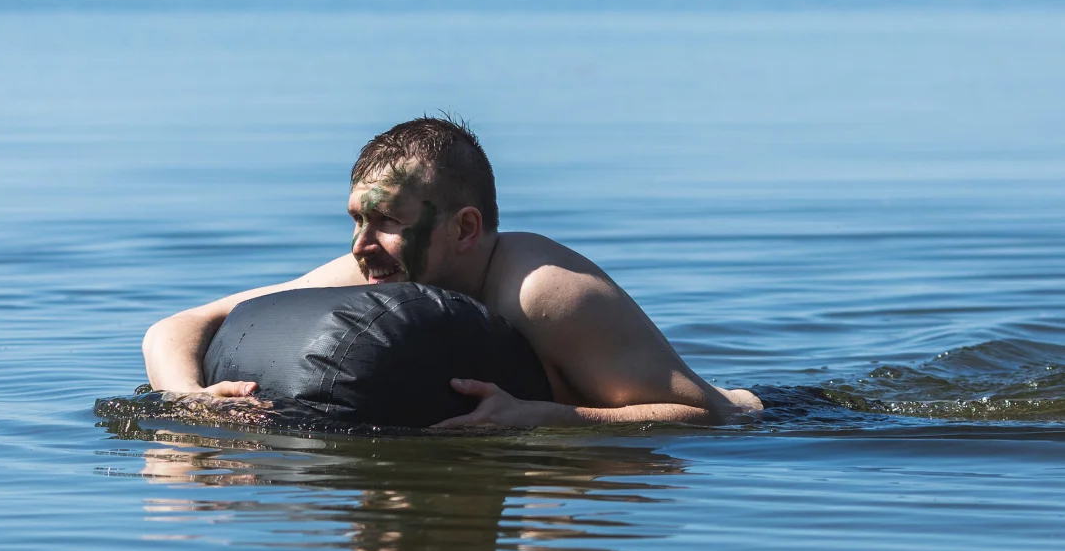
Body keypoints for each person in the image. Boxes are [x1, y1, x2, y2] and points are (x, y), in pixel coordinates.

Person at [143, 116, 763, 427]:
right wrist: (189, 400)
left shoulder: (546, 292)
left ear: (464, 228)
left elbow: (710, 419)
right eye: (356, 220)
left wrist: (548, 420)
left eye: (387, 220)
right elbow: (178, 324)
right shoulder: (378, 267)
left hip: (771, 415)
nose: (361, 245)